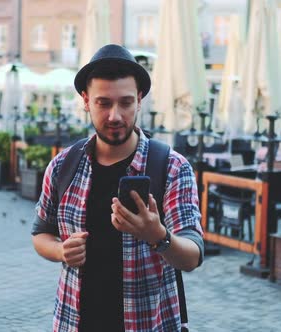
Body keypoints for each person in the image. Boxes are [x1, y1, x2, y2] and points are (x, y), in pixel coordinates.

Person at [31, 44, 204, 332]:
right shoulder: (63, 166)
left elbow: (193, 256)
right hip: (74, 323)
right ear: (86, 100)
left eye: (125, 102)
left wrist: (157, 236)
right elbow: (40, 234)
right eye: (103, 103)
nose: (114, 115)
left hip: (148, 324)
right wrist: (62, 251)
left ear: (139, 100)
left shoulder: (172, 167)